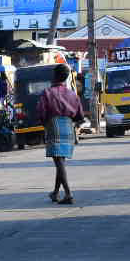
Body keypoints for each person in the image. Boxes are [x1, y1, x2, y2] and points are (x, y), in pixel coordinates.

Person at [36, 64, 84, 204]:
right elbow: (79, 115)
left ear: (54, 76)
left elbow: (41, 112)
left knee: (59, 162)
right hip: (68, 126)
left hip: (54, 125)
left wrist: (45, 124)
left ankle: (68, 194)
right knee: (60, 161)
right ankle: (56, 193)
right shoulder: (72, 94)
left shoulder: (48, 92)